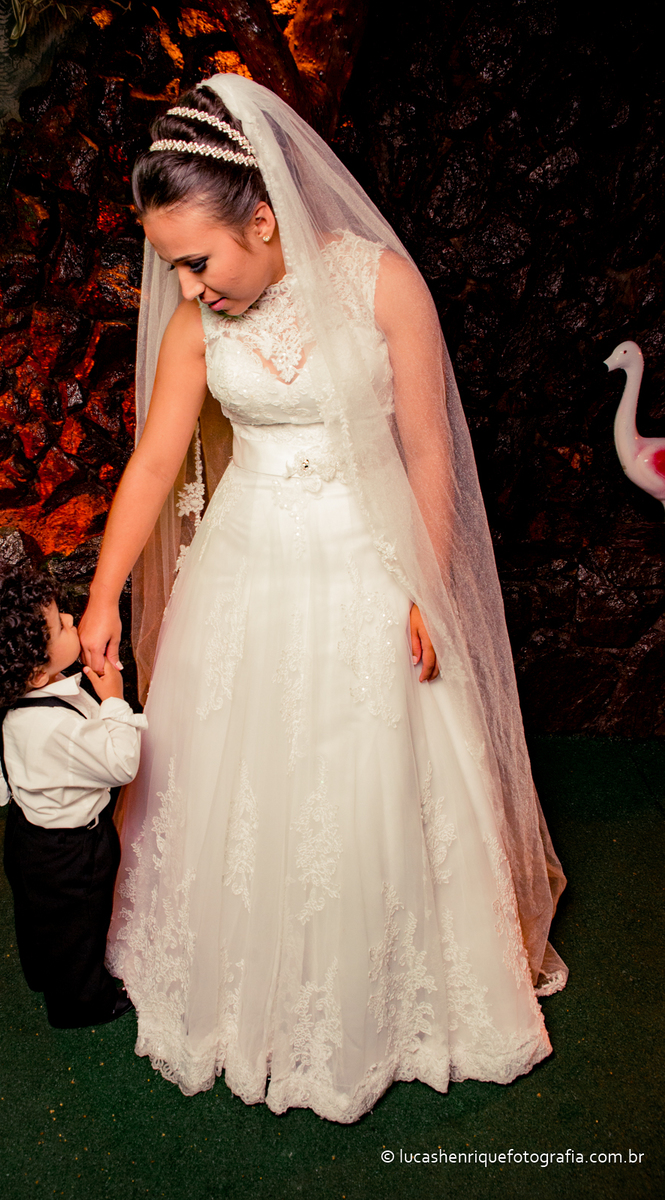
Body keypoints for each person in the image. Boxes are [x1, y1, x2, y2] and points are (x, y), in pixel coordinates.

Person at [79, 74, 567, 1121]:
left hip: (367, 563)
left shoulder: (382, 285)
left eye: (198, 261)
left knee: (371, 773)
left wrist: (427, 590)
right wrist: (102, 596)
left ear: (261, 218)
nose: (189, 287)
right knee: (239, 781)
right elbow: (156, 461)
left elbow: (429, 452)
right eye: (173, 267)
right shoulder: (198, 326)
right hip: (245, 572)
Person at [0, 561, 147, 1029]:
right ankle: (82, 1004)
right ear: (33, 672)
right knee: (79, 923)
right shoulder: (52, 727)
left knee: (37, 911)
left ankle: (40, 970)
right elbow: (121, 765)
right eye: (62, 625)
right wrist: (114, 699)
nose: (71, 618)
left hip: (26, 833)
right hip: (73, 848)